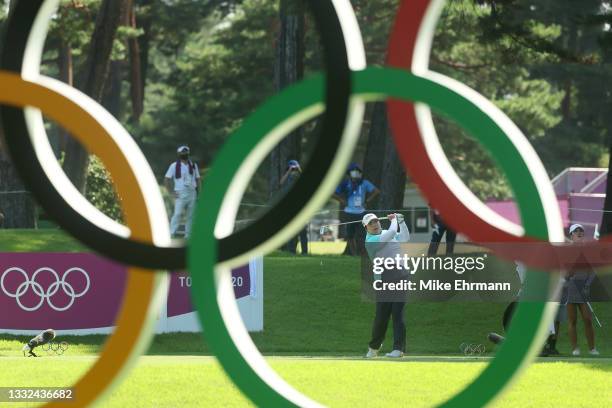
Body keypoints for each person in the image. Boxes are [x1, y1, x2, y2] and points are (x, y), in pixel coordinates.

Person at [363, 213, 410, 358]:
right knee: (382, 315)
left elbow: (405, 238)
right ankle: (374, 348)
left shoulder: (387, 233)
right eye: (371, 223)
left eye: (376, 221)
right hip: (384, 277)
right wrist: (394, 220)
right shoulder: (371, 240)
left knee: (398, 312)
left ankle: (398, 348)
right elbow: (391, 233)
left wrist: (401, 222)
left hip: (401, 274)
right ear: (366, 227)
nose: (375, 224)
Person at [565, 224, 598, 356]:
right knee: (572, 320)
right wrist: (568, 274)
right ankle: (575, 349)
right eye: (576, 231)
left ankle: (592, 349)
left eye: (581, 231)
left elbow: (592, 271)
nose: (579, 233)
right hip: (571, 288)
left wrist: (587, 285)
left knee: (587, 319)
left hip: (584, 288)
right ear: (571, 235)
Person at [333, 163, 380, 255]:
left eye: (357, 171)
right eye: (353, 171)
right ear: (349, 173)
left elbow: (376, 191)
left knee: (362, 234)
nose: (355, 173)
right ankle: (354, 254)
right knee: (350, 235)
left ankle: (362, 252)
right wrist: (342, 201)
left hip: (361, 213)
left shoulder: (364, 183)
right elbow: (334, 194)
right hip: (349, 212)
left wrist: (367, 201)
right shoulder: (345, 183)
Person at [164, 146, 201, 239]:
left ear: (188, 153)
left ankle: (188, 235)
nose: (184, 154)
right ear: (179, 154)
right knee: (177, 213)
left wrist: (199, 193)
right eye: (182, 153)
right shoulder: (174, 166)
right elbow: (167, 179)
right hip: (180, 192)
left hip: (192, 192)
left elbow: (198, 179)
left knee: (191, 215)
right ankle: (171, 233)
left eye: (186, 152)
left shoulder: (193, 165)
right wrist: (171, 192)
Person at [280, 160, 308, 254]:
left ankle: (304, 252)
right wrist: (289, 171)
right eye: (292, 168)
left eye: (294, 168)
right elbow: (281, 182)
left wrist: (298, 168)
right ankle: (292, 251)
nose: (294, 170)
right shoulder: (287, 178)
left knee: (303, 232)